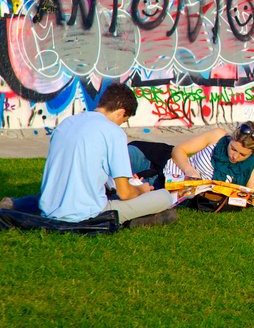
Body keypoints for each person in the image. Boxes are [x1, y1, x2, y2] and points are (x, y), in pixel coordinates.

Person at [0, 83, 177, 228]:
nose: (121, 125)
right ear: (121, 112)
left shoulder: (67, 123)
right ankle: (137, 220)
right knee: (164, 197)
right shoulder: (113, 132)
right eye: (123, 121)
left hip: (49, 208)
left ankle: (16, 203)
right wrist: (141, 190)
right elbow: (125, 193)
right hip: (87, 214)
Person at [128, 122, 254, 207]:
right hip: (159, 162)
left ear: (251, 153)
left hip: (169, 190)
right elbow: (179, 150)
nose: (235, 156)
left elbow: (252, 202)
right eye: (233, 149)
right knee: (123, 156)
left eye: (242, 155)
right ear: (231, 139)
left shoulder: (253, 166)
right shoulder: (218, 137)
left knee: (122, 192)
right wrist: (189, 170)